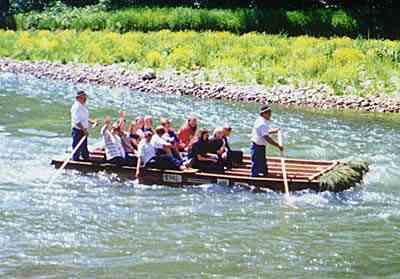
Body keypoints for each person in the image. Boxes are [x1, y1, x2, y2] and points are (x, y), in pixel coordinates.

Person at [250, 105, 283, 177]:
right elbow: (266, 137)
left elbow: (263, 132)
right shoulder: (262, 123)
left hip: (259, 146)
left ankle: (264, 175)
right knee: (256, 164)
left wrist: (273, 131)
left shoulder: (260, 120)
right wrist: (278, 145)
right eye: (269, 113)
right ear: (264, 114)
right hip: (257, 146)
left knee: (262, 163)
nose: (270, 115)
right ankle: (254, 178)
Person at [70, 90, 97, 161]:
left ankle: (85, 157)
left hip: (82, 130)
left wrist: (92, 122)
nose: (85, 99)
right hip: (78, 130)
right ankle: (75, 160)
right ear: (78, 98)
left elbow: (84, 118)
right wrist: (84, 130)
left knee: (84, 146)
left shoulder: (82, 106)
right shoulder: (76, 107)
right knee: (77, 146)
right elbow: (77, 122)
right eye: (83, 97)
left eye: (85, 97)